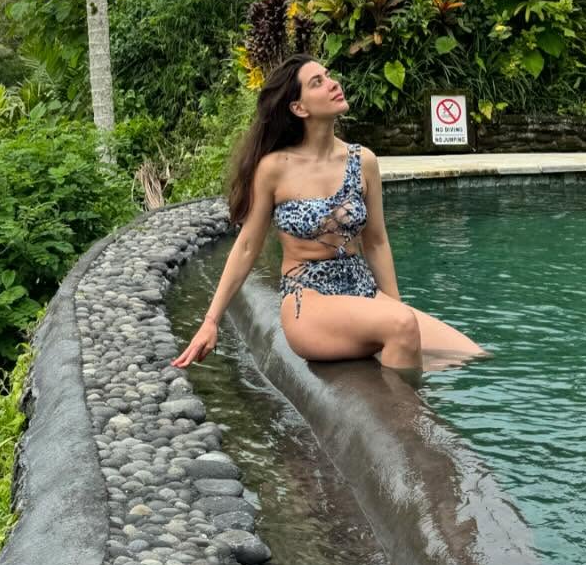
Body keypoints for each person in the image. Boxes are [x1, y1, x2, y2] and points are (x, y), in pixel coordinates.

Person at [172, 54, 486, 373]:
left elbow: (376, 242)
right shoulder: (274, 169)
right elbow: (247, 247)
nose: (333, 84)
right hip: (307, 302)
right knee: (402, 326)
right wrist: (211, 321)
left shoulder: (363, 161)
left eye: (329, 76)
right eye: (317, 82)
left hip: (362, 291)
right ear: (299, 108)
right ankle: (409, 420)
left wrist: (393, 306)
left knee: (471, 355)